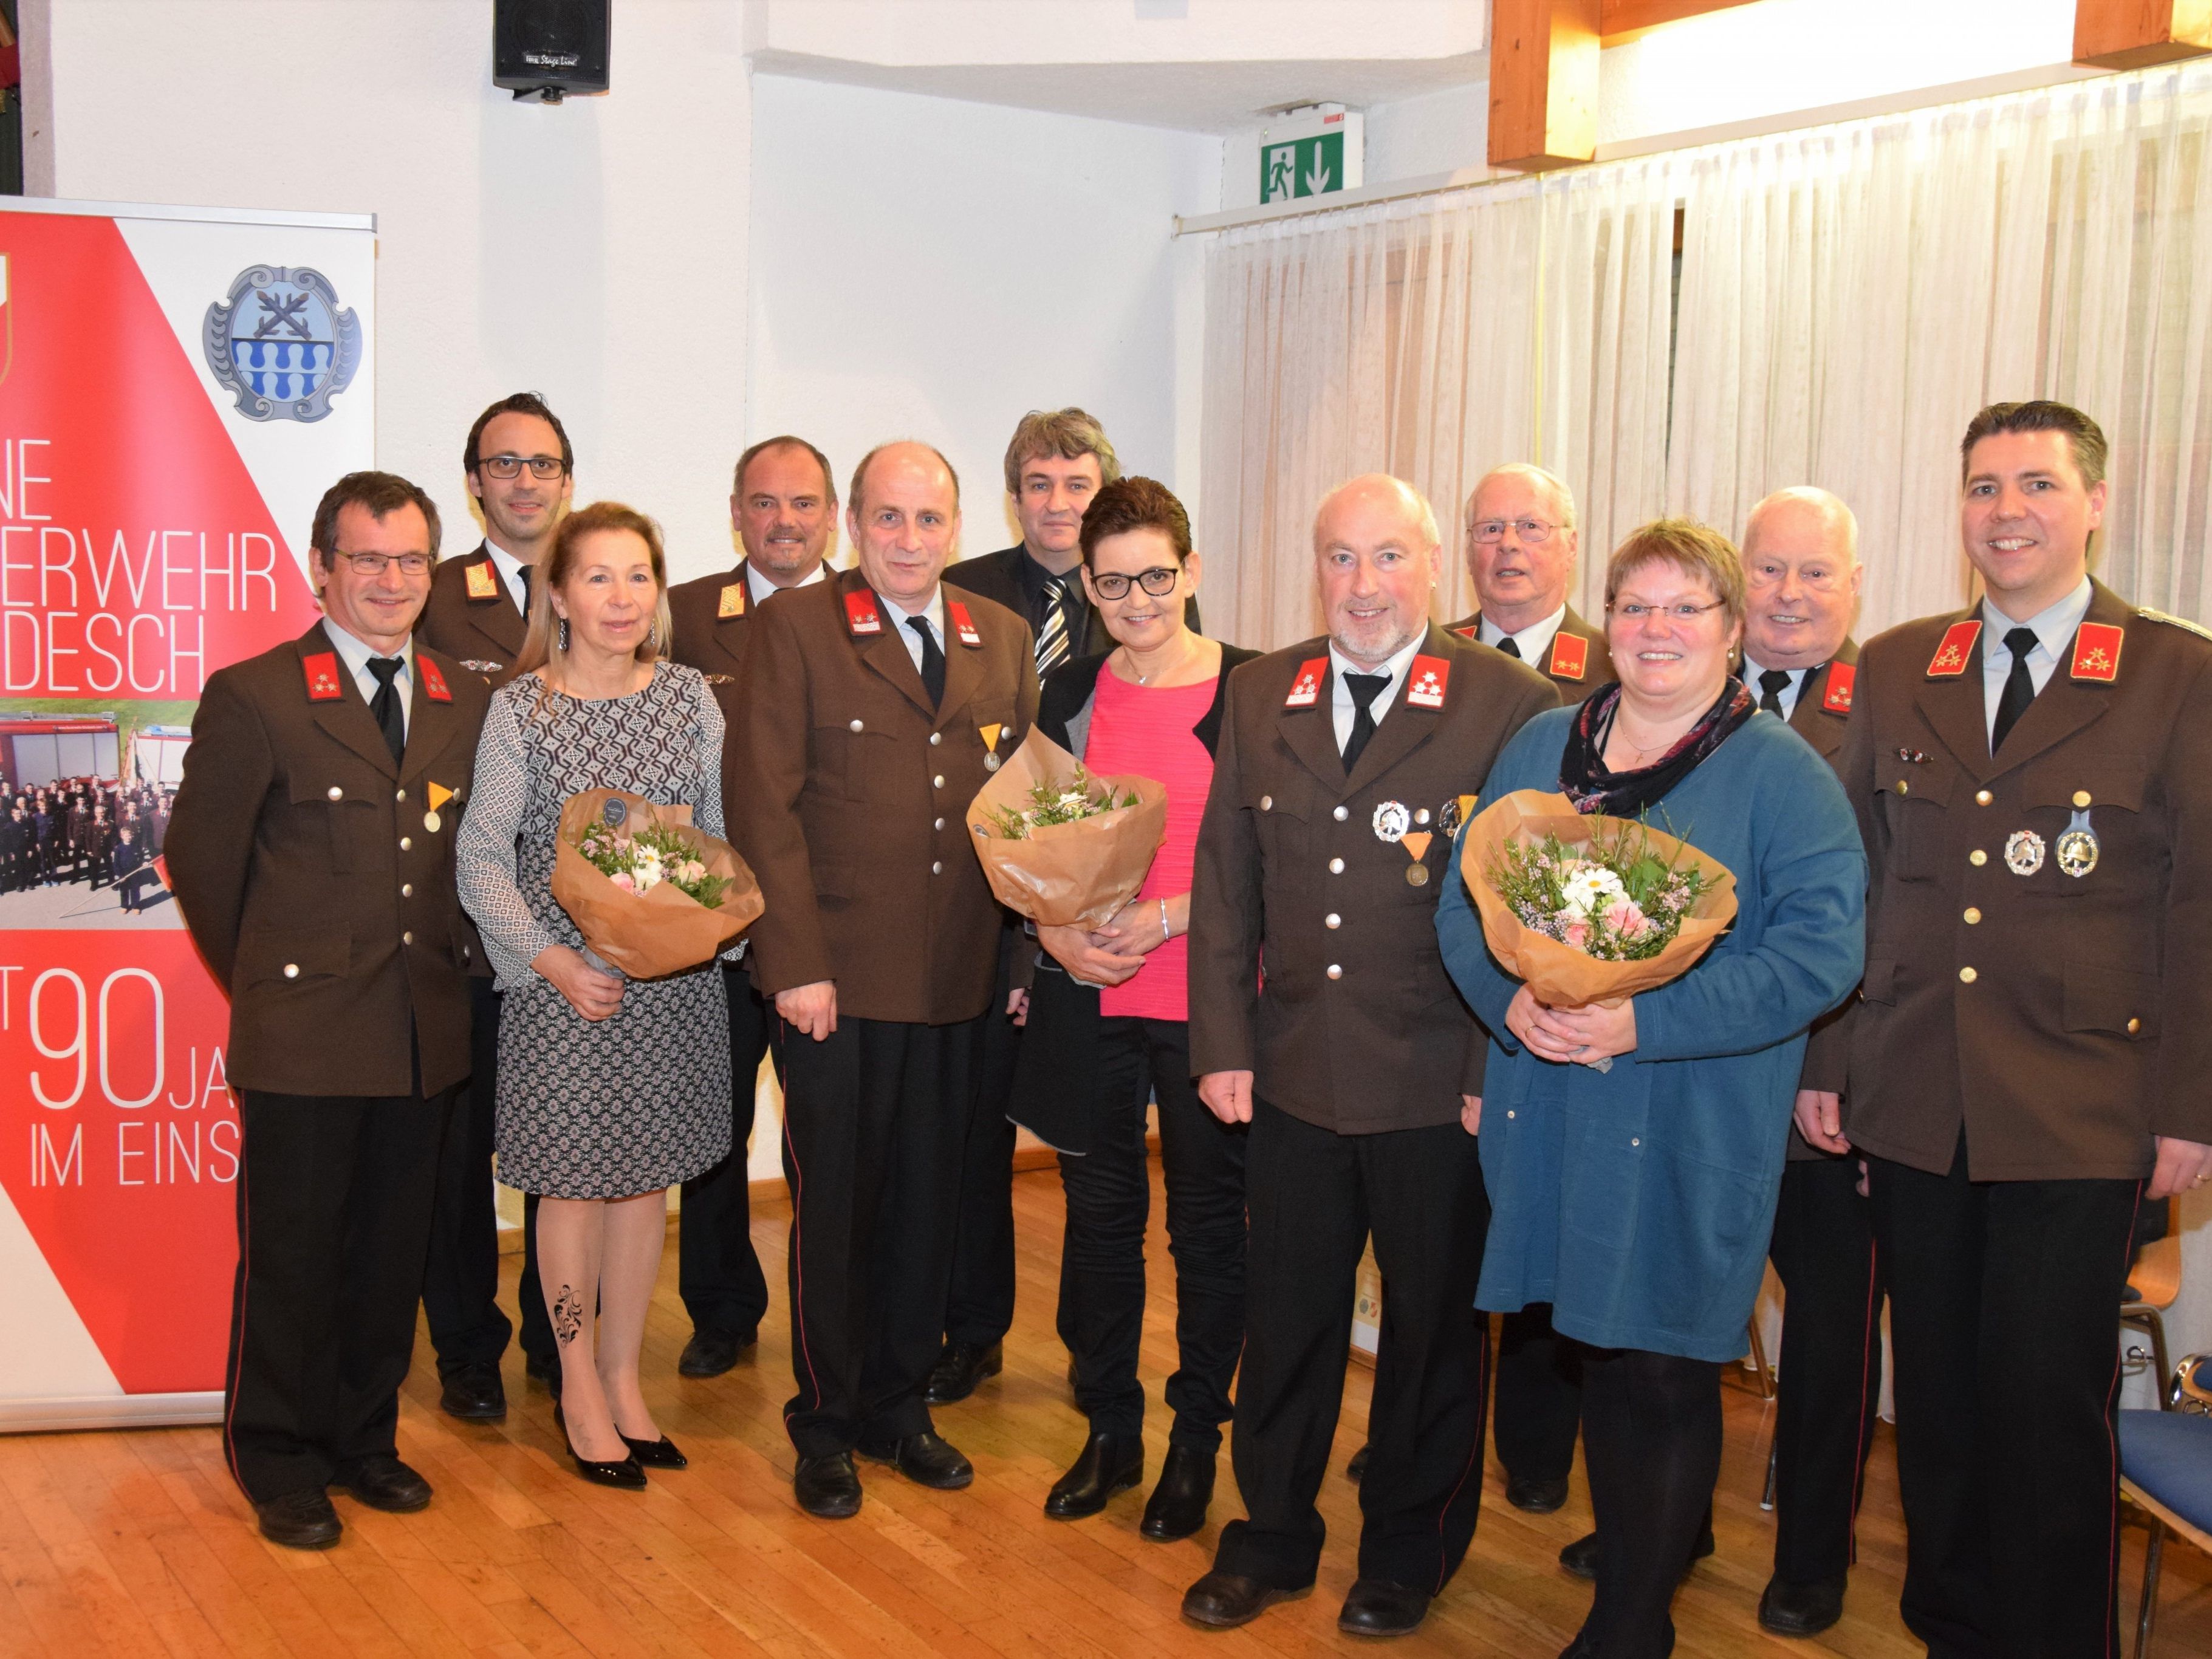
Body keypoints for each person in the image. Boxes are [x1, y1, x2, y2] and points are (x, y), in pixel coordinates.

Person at [1437, 518, 1865, 1659]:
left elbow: (1821, 956)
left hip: (1687, 1113)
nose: (1656, 629)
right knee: (1588, 1347)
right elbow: (1459, 905)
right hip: (1550, 1104)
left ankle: (1632, 1626)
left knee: (1661, 1368)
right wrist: (1508, 1002)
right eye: (1636, 607)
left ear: (1732, 630)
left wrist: (1644, 1018)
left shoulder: (1781, 772)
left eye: (1686, 608)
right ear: (1605, 621)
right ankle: (1630, 1579)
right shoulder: (1540, 745)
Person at [1838, 401, 2212, 1659]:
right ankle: (1952, 1628)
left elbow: (2203, 904)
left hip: (2085, 1105)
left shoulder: (2177, 672)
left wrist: (2192, 1107)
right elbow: (1857, 883)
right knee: (1934, 1397)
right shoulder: (1896, 666)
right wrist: (1834, 1066)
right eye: (1986, 486)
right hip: (1916, 1094)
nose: (2008, 510)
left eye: (2038, 485)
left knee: (2046, 1406)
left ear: (2094, 503)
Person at [1182, 474, 1557, 1638]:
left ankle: (1406, 1551)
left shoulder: (1507, 703)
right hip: (1292, 1067)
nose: (1362, 585)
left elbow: (1529, 907)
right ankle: (1273, 1535)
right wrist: (1221, 1045)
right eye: (1340, 559)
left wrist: (1492, 1076)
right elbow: (1223, 884)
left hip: (1437, 1081)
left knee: (1432, 1332)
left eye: (1387, 558)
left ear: (1432, 566)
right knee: (1286, 1318)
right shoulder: (1260, 693)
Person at [166, 470, 488, 1550]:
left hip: (420, 1031)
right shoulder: (256, 694)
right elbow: (201, 866)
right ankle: (279, 1454)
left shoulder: (460, 697)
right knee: (296, 1256)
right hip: (304, 1033)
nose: (391, 581)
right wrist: (270, 978)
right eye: (368, 559)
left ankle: (363, 1438)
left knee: (390, 1252)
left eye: (410, 560)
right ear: (322, 568)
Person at [730, 440, 1039, 1519]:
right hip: (839, 985)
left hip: (959, 975)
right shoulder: (797, 629)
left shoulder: (998, 636)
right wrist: (795, 967)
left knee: (929, 1205)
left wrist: (1019, 958)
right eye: (890, 519)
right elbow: (763, 806)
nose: (911, 540)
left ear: (956, 527)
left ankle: (900, 1408)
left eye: (930, 519)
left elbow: (1024, 812)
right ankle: (825, 1418)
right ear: (854, 527)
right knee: (839, 1206)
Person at [455, 500, 733, 1491]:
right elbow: (483, 858)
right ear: (560, 595)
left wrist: (697, 928)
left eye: (639, 577)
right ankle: (575, 1378)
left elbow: (715, 839)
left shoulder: (693, 697)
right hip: (562, 990)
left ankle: (624, 1377)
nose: (621, 598)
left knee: (646, 1185)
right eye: (599, 578)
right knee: (570, 1188)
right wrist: (552, 960)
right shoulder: (520, 709)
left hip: (671, 988)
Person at [928, 408, 1194, 1408]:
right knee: (984, 1149)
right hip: (1014, 932)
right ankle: (976, 1333)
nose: (1056, 502)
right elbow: (986, 782)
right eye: (1037, 483)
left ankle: (1123, 1373)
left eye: (1075, 484)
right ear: (1014, 498)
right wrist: (1030, 943)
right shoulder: (967, 598)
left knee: (1138, 1191)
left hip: (1147, 956)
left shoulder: (1160, 620)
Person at [1008, 477, 1258, 1538]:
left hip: (1209, 1007)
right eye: (1113, 584)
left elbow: (1272, 867)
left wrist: (1161, 920)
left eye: (1156, 576)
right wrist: (1052, 934)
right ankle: (1109, 1428)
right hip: (1087, 1006)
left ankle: (1196, 1441)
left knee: (1205, 1235)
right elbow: (1028, 846)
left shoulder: (1254, 692)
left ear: (1191, 573)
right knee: (1101, 1227)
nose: (1137, 600)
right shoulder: (1066, 691)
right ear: (1091, 587)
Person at [1428, 462, 1617, 1517]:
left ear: (1569, 543)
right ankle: (1435, 1441)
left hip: (1567, 1007)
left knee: (1550, 1241)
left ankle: (1541, 1456)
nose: (1506, 546)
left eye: (1529, 527)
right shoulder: (1435, 658)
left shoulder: (1619, 662)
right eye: (1487, 527)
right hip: (1453, 992)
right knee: (1448, 1253)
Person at [1721, 485, 1875, 1639]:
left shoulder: (1896, 710)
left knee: (1828, 1336)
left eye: (1812, 574)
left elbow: (1892, 922)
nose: (1786, 596)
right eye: (1767, 571)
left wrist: (1839, 1064)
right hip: (1697, 1073)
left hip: (1823, 1095)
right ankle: (1666, 1526)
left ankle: (1812, 1556)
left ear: (1853, 587)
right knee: (1678, 1316)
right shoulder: (1685, 700)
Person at [415, 391, 577, 1422]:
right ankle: (468, 1347)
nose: (525, 481)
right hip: (465, 936)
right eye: (504, 464)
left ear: (569, 480)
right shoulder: (425, 596)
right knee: (458, 1164)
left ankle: (562, 1343)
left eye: (544, 464)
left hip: (577, 936)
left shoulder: (600, 588)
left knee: (565, 1147)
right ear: (473, 482)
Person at [662, 433, 836, 1380]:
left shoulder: (869, 617)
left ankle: (833, 1308)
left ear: (831, 517)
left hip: (825, 927)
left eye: (802, 503)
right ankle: (722, 1309)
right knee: (711, 1131)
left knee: (830, 1138)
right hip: (712, 932)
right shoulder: (684, 614)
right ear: (736, 512)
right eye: (764, 503)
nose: (783, 522)